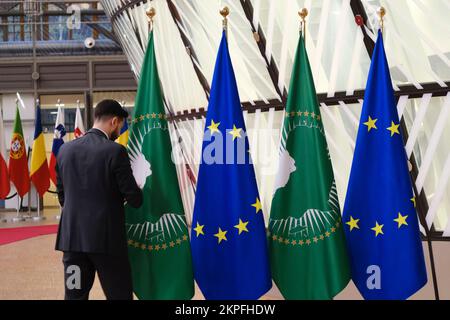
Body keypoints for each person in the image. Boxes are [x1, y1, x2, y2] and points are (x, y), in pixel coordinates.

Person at [55, 99, 143, 300]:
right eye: (120, 126)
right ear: (114, 121)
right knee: (119, 295)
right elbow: (134, 198)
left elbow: (62, 196)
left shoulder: (64, 151)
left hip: (72, 243)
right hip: (107, 244)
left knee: (74, 296)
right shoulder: (115, 151)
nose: (119, 132)